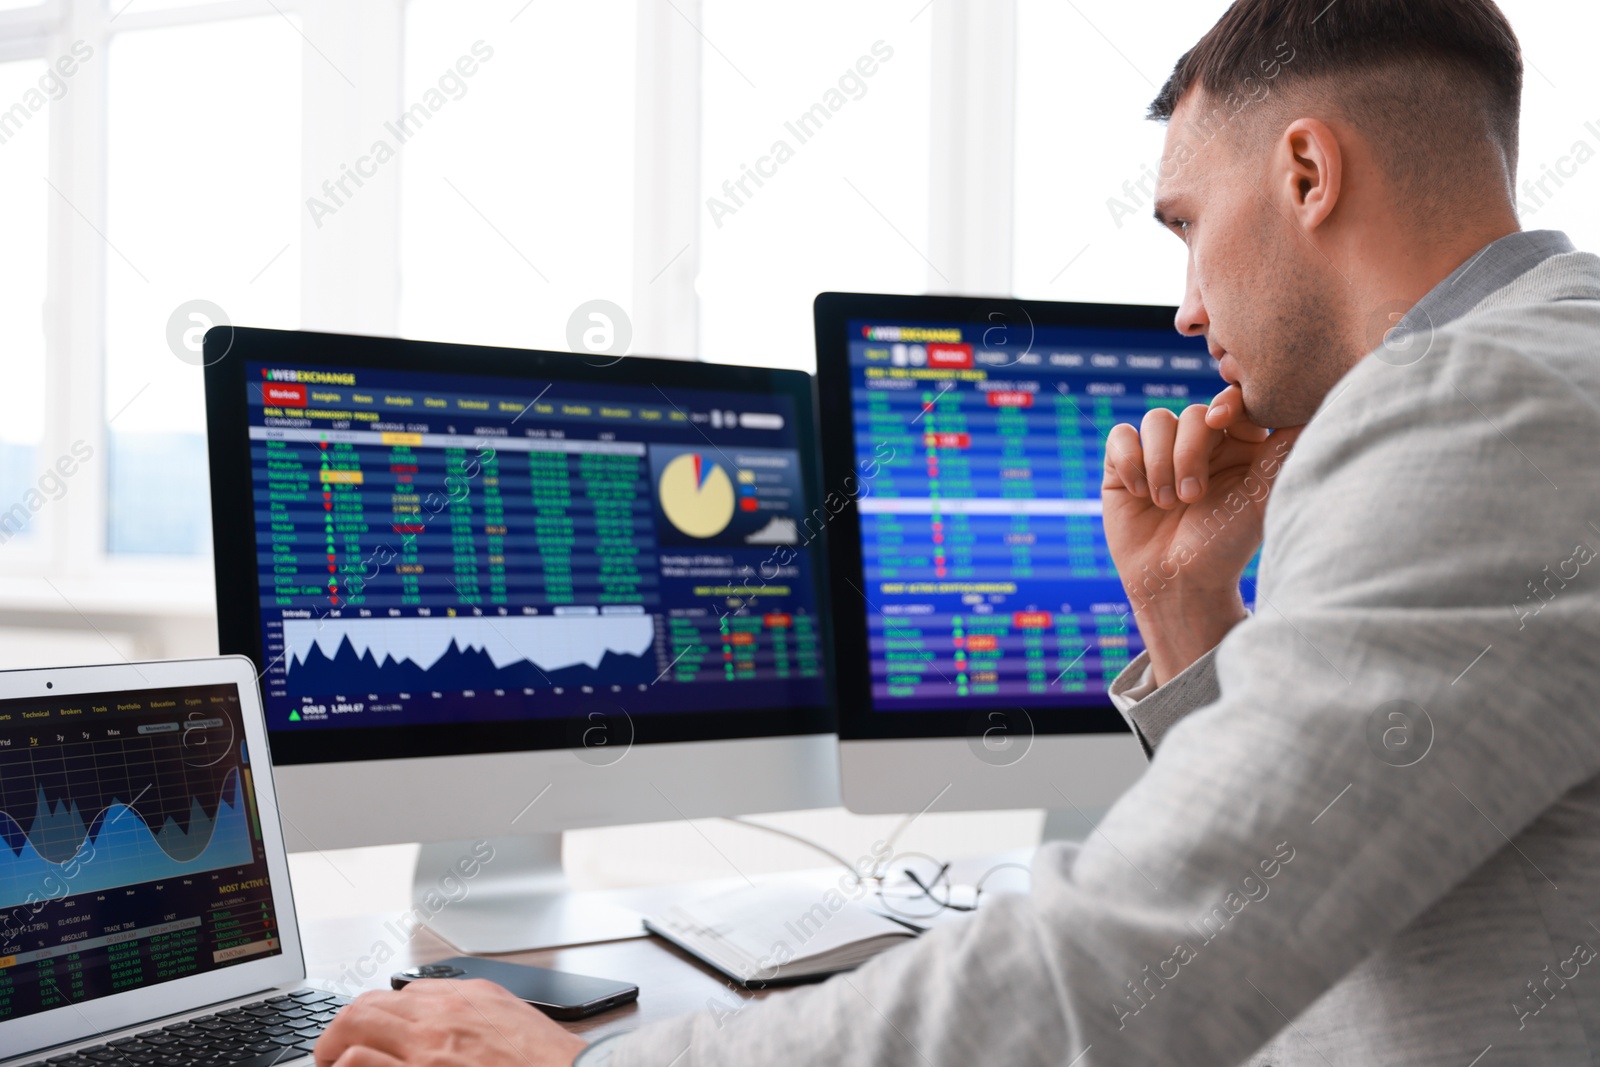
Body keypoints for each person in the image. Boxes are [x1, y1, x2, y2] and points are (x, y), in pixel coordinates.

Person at [316, 0, 1600, 1063]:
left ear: (1308, 173)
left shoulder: (1478, 404)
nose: (1184, 311)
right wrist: (1192, 615)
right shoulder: (1550, 366)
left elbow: (1145, 957)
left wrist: (587, 1062)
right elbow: (1320, 866)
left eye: (1186, 228)